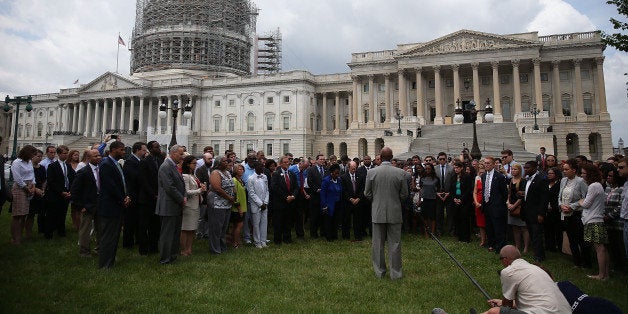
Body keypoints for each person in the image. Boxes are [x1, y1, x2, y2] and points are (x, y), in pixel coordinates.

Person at [483, 245, 571, 314]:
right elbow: (532, 298)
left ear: (505, 260)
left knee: (494, 311)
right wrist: (502, 302)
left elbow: (507, 306)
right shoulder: (536, 269)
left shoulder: (508, 271)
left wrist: (501, 306)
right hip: (566, 311)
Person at [364, 147, 409, 279]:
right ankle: (396, 273)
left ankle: (379, 272)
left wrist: (376, 200)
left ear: (380, 157)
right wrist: (395, 201)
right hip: (395, 211)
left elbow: (367, 193)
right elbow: (405, 194)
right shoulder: (400, 173)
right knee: (395, 243)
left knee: (377, 243)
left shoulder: (372, 172)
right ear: (392, 157)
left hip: (377, 211)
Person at [97, 141, 130, 268]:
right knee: (108, 236)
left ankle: (110, 260)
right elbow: (111, 186)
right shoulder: (106, 164)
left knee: (114, 235)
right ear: (114, 149)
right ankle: (105, 263)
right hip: (109, 205)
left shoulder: (117, 164)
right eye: (121, 150)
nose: (123, 152)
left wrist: (126, 196)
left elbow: (121, 182)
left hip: (117, 204)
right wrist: (122, 199)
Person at [156, 145, 186, 264]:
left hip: (175, 205)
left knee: (174, 233)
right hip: (168, 205)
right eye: (180, 154)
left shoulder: (172, 166)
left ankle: (172, 256)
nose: (182, 156)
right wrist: (181, 199)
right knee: (167, 234)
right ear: (173, 154)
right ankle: (165, 258)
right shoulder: (166, 166)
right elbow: (169, 187)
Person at [578, 163, 609, 280]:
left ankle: (601, 275)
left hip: (593, 219)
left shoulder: (593, 186)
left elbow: (586, 204)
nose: (582, 176)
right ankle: (605, 274)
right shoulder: (598, 185)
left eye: (584, 173)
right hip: (596, 218)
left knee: (599, 248)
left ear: (590, 174)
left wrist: (581, 201)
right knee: (602, 248)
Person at [559, 158, 591, 268]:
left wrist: (572, 207)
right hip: (565, 214)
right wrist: (561, 205)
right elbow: (560, 196)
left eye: (566, 169)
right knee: (571, 239)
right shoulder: (563, 181)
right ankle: (576, 261)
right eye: (563, 169)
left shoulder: (581, 181)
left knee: (580, 239)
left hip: (577, 215)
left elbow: (585, 198)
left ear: (573, 170)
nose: (564, 171)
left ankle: (587, 262)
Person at [70, 149, 101, 257]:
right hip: (87, 204)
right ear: (88, 158)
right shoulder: (83, 172)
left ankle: (99, 249)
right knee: (85, 228)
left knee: (100, 227)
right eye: (95, 156)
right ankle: (84, 251)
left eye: (99, 155)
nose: (98, 158)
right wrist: (80, 206)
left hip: (100, 202)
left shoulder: (101, 169)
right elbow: (74, 190)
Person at [44, 145, 75, 239]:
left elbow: (72, 178)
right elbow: (51, 181)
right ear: (59, 154)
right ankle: (48, 233)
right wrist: (61, 191)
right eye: (64, 153)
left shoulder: (68, 165)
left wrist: (70, 191)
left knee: (63, 213)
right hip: (55, 193)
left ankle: (61, 231)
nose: (66, 155)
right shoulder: (52, 166)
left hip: (66, 192)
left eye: (67, 153)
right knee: (52, 214)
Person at [137, 141, 163, 255]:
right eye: (157, 147)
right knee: (144, 225)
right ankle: (143, 248)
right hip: (146, 199)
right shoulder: (144, 162)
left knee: (155, 225)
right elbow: (144, 181)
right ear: (151, 149)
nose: (159, 149)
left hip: (158, 198)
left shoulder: (160, 161)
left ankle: (154, 246)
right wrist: (153, 194)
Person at [10, 145, 38, 244]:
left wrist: (33, 185)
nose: (33, 157)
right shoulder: (17, 162)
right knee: (17, 214)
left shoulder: (29, 162)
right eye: (32, 154)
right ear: (27, 153)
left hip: (30, 186)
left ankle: (19, 235)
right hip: (20, 188)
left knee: (24, 214)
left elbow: (32, 174)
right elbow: (17, 178)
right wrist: (26, 188)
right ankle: (15, 238)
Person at [207, 156, 236, 254]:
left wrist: (233, 196)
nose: (227, 162)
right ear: (218, 163)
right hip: (217, 203)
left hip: (227, 204)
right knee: (216, 227)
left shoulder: (227, 173)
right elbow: (217, 188)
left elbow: (232, 185)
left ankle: (222, 247)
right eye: (224, 161)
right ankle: (215, 249)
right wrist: (229, 197)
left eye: (227, 161)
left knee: (224, 227)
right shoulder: (215, 173)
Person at [122, 142, 147, 249]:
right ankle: (128, 242)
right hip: (132, 194)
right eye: (144, 150)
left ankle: (137, 239)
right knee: (130, 220)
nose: (145, 152)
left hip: (139, 195)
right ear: (137, 150)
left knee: (138, 219)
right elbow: (133, 177)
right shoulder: (130, 162)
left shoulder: (139, 161)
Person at [522, 160, 549, 262]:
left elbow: (544, 198)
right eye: (524, 168)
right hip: (528, 211)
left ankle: (539, 256)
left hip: (536, 212)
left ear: (534, 168)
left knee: (537, 234)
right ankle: (536, 252)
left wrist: (541, 213)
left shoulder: (541, 179)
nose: (525, 170)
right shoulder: (527, 179)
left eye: (527, 168)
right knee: (532, 234)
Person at [482, 156, 509, 253]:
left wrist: (499, 204)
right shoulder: (484, 176)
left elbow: (504, 193)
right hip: (487, 205)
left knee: (498, 228)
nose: (486, 165)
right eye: (485, 163)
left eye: (488, 163)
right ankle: (491, 244)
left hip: (497, 206)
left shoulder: (500, 177)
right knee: (489, 227)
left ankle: (500, 246)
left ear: (493, 164)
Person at [180, 155, 205, 256]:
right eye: (194, 163)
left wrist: (201, 189)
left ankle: (189, 249)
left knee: (192, 229)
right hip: (189, 206)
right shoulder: (185, 176)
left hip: (196, 204)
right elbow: (186, 191)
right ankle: (183, 250)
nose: (195, 165)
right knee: (185, 228)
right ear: (187, 164)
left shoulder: (194, 175)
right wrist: (199, 190)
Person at [271, 156, 298, 244]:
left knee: (288, 221)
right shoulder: (276, 174)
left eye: (289, 162)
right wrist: (286, 197)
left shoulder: (291, 174)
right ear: (281, 163)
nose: (288, 163)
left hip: (290, 203)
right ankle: (278, 240)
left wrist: (293, 196)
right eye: (285, 162)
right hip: (280, 203)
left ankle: (287, 238)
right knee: (278, 222)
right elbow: (275, 188)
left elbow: (296, 187)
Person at [449, 161, 474, 243]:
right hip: (455, 199)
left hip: (465, 201)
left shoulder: (467, 177)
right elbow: (451, 190)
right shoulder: (453, 177)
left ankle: (466, 238)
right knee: (457, 219)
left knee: (465, 219)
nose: (456, 169)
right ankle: (460, 237)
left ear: (461, 168)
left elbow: (468, 190)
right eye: (455, 168)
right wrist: (454, 199)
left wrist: (462, 199)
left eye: (457, 167)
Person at [341, 161, 366, 241]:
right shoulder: (344, 177)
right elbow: (343, 190)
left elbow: (363, 189)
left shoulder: (360, 176)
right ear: (348, 168)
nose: (354, 170)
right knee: (346, 219)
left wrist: (358, 198)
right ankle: (346, 236)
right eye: (352, 169)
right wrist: (350, 199)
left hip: (358, 201)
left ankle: (358, 235)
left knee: (358, 220)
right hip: (348, 202)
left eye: (355, 169)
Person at [247, 161, 269, 248]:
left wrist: (265, 202)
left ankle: (263, 241)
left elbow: (267, 190)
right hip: (256, 205)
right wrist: (260, 203)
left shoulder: (264, 177)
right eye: (260, 166)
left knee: (264, 223)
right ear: (255, 167)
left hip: (265, 203)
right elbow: (251, 193)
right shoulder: (251, 178)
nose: (262, 167)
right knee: (256, 224)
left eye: (263, 165)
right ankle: (257, 242)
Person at [507, 163, 529, 253]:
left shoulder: (523, 181)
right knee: (515, 227)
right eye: (512, 169)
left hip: (520, 206)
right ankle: (517, 245)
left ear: (519, 171)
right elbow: (509, 193)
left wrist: (514, 205)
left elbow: (522, 197)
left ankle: (526, 247)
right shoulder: (510, 180)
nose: (513, 171)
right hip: (511, 205)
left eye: (515, 169)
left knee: (524, 228)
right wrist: (508, 203)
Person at [321, 163, 342, 241]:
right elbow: (322, 194)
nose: (337, 175)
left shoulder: (339, 180)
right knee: (329, 220)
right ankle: (328, 236)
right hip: (329, 204)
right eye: (336, 173)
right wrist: (324, 205)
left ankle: (334, 235)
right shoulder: (326, 180)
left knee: (335, 220)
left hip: (337, 203)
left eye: (338, 173)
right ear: (332, 172)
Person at [307, 154, 327, 238]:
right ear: (317, 160)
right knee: (314, 216)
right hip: (315, 196)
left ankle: (323, 232)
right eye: (321, 159)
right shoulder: (311, 169)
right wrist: (316, 189)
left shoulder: (327, 169)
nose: (322, 161)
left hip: (324, 197)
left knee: (323, 215)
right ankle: (313, 233)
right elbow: (309, 182)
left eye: (323, 159)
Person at [194, 152, 213, 239]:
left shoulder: (213, 170)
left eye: (211, 158)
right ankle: (199, 233)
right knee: (202, 215)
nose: (211, 160)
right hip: (204, 195)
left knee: (209, 215)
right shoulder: (200, 170)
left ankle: (207, 232)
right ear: (204, 160)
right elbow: (199, 183)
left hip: (212, 196)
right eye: (209, 159)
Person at [418, 163, 440, 238]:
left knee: (432, 217)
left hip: (433, 199)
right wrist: (420, 199)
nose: (427, 170)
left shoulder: (436, 179)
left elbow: (438, 189)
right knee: (425, 217)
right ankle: (426, 233)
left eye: (429, 169)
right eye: (426, 169)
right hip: (424, 199)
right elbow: (421, 190)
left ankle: (433, 232)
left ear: (432, 169)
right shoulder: (422, 178)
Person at [28, 149, 46, 236]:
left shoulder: (42, 167)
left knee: (40, 212)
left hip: (40, 192)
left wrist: (42, 189)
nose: (39, 158)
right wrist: (35, 189)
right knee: (29, 213)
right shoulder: (28, 167)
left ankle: (40, 230)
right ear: (32, 156)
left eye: (41, 156)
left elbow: (44, 180)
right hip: (30, 191)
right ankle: (27, 231)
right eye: (38, 156)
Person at [545, 167, 563, 252]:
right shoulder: (546, 183)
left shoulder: (559, 184)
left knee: (557, 229)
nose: (549, 175)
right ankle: (549, 245)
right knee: (548, 229)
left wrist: (554, 206)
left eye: (551, 173)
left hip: (556, 210)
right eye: (548, 173)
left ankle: (559, 246)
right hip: (546, 210)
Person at [435, 152, 453, 236]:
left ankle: (450, 230)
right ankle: (439, 230)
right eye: (440, 159)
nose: (442, 160)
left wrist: (449, 192)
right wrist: (436, 192)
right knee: (439, 213)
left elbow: (453, 181)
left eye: (443, 159)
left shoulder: (451, 168)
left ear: (446, 159)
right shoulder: (435, 169)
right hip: (438, 194)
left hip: (448, 194)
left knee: (450, 213)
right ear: (438, 160)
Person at [230, 164, 247, 248]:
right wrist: (239, 207)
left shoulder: (241, 180)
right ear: (235, 170)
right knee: (239, 225)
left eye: (242, 169)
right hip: (237, 207)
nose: (241, 171)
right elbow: (234, 195)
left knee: (236, 226)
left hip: (244, 206)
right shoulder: (234, 180)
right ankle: (235, 243)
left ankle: (235, 240)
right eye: (239, 169)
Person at [473, 163, 486, 247]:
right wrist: (476, 202)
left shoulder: (488, 178)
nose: (481, 171)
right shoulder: (477, 178)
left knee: (486, 221)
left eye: (483, 169)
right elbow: (474, 191)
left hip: (486, 202)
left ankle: (488, 238)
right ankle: (483, 239)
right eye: (480, 170)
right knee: (480, 223)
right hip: (478, 202)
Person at [68, 149, 81, 230]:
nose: (76, 156)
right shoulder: (67, 165)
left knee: (78, 207)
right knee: (73, 208)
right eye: (75, 155)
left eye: (77, 155)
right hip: (70, 187)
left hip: (78, 188)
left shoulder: (80, 164)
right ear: (71, 156)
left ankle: (78, 224)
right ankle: (74, 223)